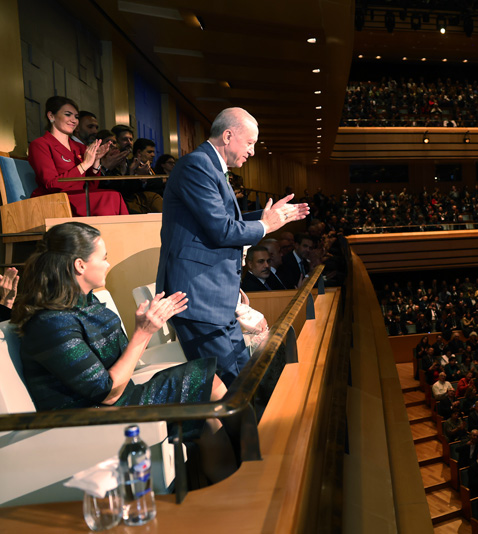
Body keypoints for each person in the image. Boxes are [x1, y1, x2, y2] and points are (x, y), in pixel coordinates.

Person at [13, 222, 236, 481]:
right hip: (89, 421)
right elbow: (105, 392)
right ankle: (255, 459)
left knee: (207, 409)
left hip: (120, 400)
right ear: (80, 265)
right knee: (206, 382)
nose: (108, 264)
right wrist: (143, 333)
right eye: (104, 258)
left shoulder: (87, 302)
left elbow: (117, 364)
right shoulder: (51, 323)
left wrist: (145, 325)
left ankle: (234, 481)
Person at [156, 107, 308, 386]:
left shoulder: (211, 166)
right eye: (249, 143)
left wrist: (270, 219)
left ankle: (253, 428)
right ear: (228, 136)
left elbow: (223, 221)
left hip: (217, 295)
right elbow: (221, 230)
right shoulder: (197, 165)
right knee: (228, 385)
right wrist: (266, 226)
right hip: (198, 296)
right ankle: (240, 431)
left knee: (243, 376)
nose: (252, 151)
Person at [28, 96, 128, 216]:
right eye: (68, 114)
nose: (74, 120)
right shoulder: (40, 145)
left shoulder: (79, 147)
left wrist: (96, 161)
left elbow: (91, 187)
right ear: (51, 116)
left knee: (114, 195)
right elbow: (51, 184)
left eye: (76, 117)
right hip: (56, 201)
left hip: (80, 197)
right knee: (110, 197)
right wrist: (85, 164)